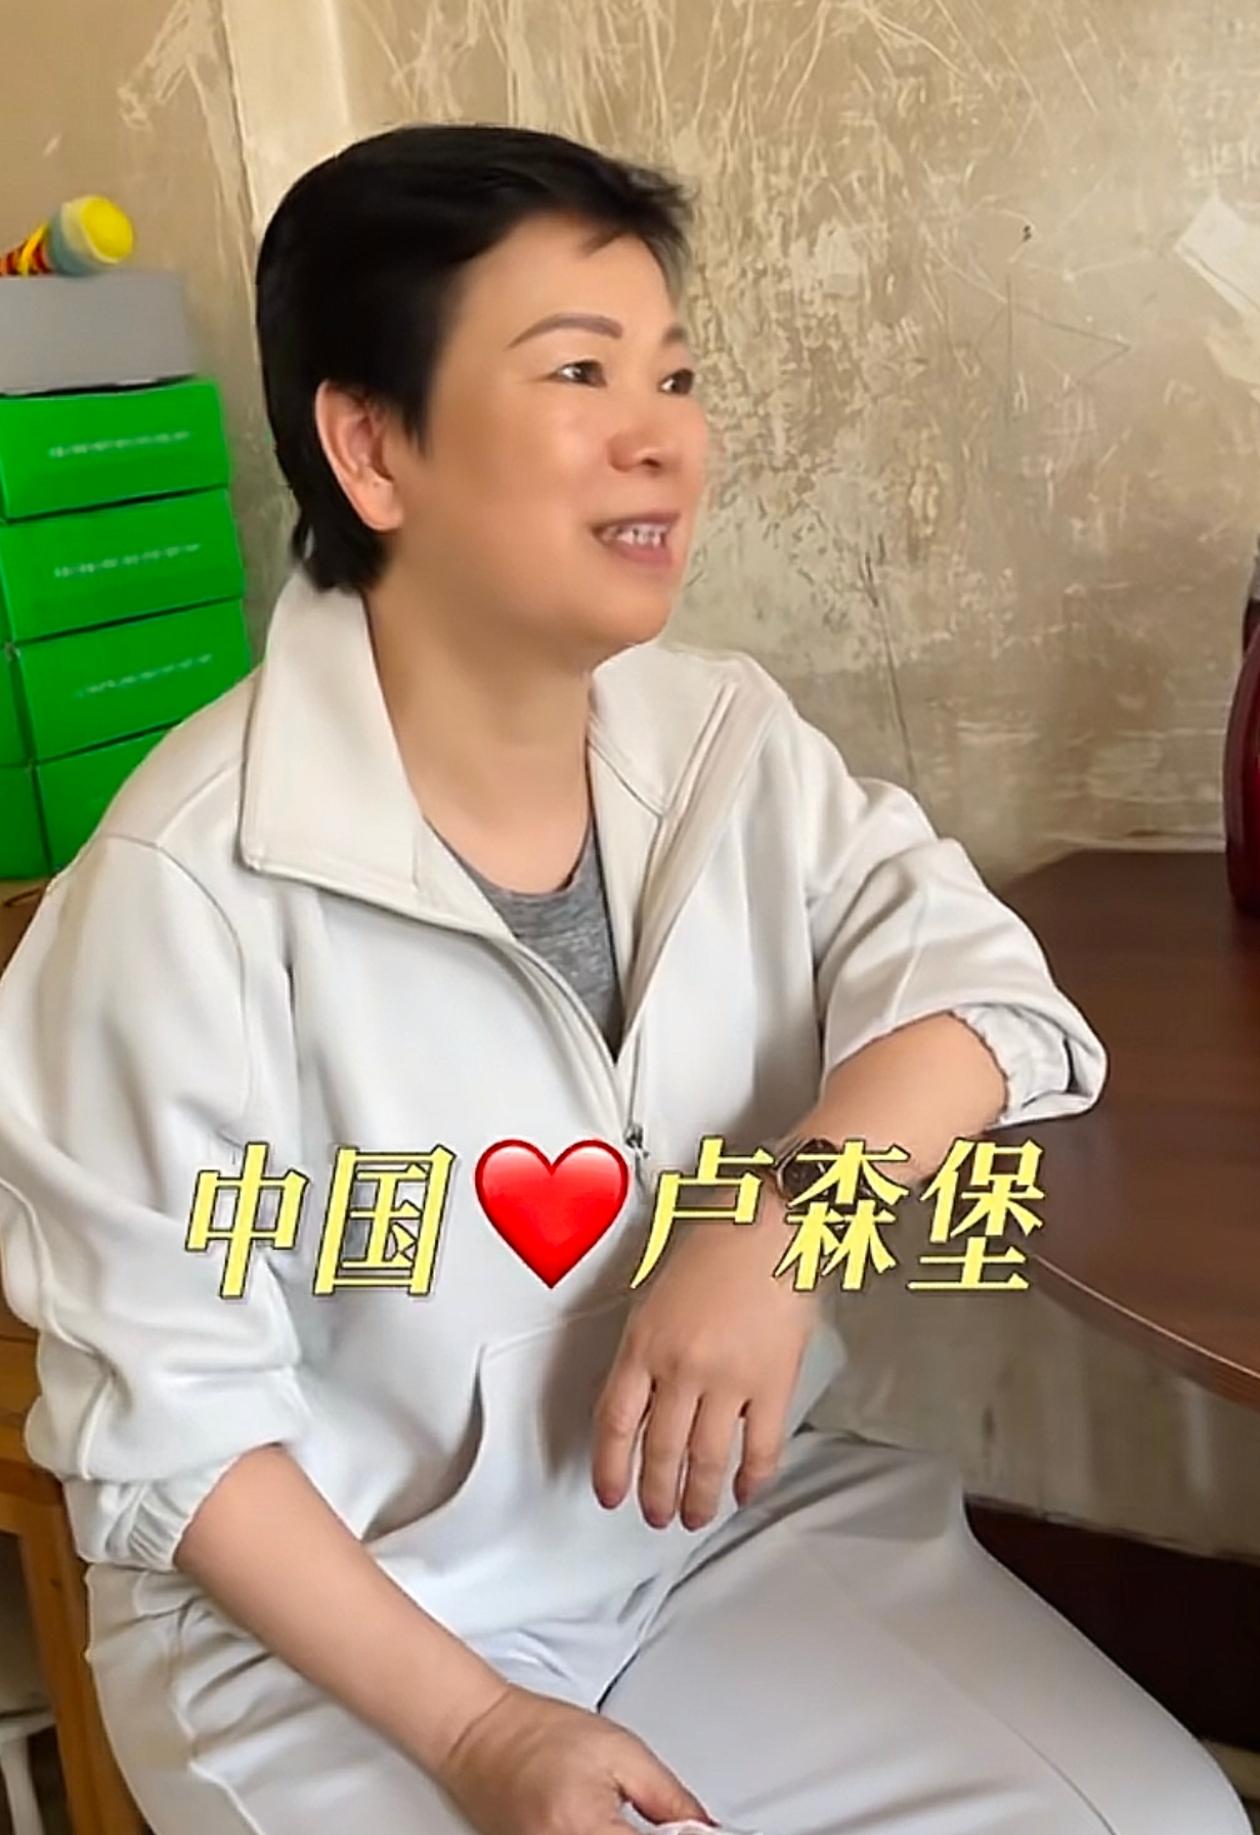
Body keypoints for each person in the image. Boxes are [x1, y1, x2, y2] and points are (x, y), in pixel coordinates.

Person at [0, 124, 1246, 1835]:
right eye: (580, 372)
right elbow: (173, 1442)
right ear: (371, 446)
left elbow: (993, 1004)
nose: (663, 435)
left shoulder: (728, 739)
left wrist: (787, 1226)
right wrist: (484, 1734)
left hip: (715, 1532)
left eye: (675, 373)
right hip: (342, 1631)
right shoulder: (177, 894)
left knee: (1169, 1821)